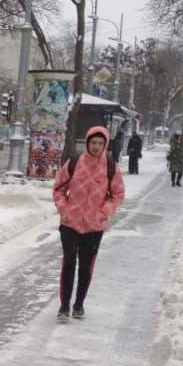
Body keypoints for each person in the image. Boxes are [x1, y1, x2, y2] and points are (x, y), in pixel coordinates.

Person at [53, 126, 126, 321]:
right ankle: (64, 306)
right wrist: (64, 209)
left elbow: (118, 195)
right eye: (93, 143)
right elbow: (59, 189)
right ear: (87, 143)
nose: (96, 146)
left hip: (94, 227)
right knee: (69, 263)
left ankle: (79, 305)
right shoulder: (75, 163)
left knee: (86, 267)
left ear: (105, 145)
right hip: (70, 224)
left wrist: (104, 212)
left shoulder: (111, 168)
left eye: (100, 143)